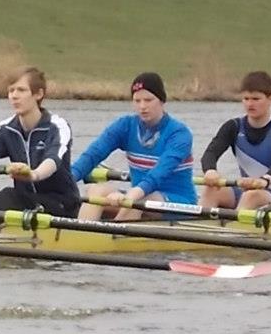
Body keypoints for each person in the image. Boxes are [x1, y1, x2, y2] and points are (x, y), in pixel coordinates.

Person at [71, 71, 196, 221]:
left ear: (162, 101)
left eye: (148, 100)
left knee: (140, 200)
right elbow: (93, 155)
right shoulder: (125, 126)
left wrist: (131, 196)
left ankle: (112, 237)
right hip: (138, 196)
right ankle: (81, 235)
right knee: (96, 190)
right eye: (137, 101)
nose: (142, 106)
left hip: (179, 204)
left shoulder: (179, 133)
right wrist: (66, 180)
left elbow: (159, 172)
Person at [0, 66, 79, 217]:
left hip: (60, 204)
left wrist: (34, 175)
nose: (14, 96)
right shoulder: (7, 128)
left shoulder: (57, 126)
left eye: (21, 90)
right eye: (11, 90)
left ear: (38, 94)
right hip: (28, 201)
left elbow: (53, 159)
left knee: (9, 195)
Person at [199, 70, 271, 214]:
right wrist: (210, 171)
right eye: (246, 98)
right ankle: (199, 230)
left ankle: (232, 233)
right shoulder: (233, 127)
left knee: (252, 195)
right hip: (247, 194)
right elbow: (211, 153)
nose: (249, 104)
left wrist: (265, 180)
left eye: (255, 99)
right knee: (212, 190)